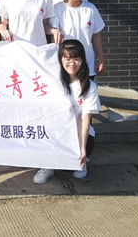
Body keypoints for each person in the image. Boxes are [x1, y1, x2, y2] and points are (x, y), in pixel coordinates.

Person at [33, 40, 100, 183]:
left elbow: (85, 119)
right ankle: (48, 165)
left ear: (82, 60)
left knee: (78, 158)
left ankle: (81, 163)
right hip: (57, 132)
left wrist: (82, 148)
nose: (72, 63)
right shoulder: (53, 83)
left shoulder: (89, 86)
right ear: (61, 60)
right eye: (67, 59)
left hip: (78, 133)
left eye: (76, 59)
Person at [52, 0, 105, 79]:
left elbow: (96, 36)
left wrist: (101, 59)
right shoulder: (57, 9)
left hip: (87, 64)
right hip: (65, 66)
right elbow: (54, 39)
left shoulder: (90, 9)